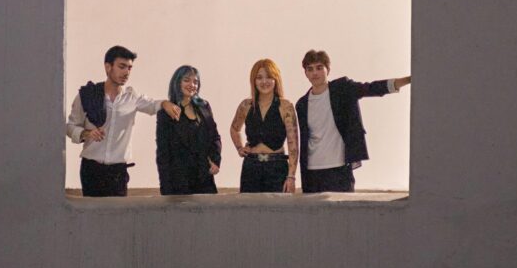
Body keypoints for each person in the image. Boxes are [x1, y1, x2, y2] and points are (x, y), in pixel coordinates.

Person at [66, 44, 181, 197]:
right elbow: (70, 126)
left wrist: (165, 103)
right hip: (91, 169)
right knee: (91, 218)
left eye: (129, 68)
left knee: (117, 218)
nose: (126, 72)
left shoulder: (132, 97)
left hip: (118, 172)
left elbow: (153, 104)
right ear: (108, 67)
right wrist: (86, 133)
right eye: (122, 66)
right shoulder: (87, 95)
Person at [295, 49, 410, 194]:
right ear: (305, 73)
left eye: (319, 68)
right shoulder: (301, 104)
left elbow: (371, 88)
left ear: (328, 70)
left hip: (339, 169)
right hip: (311, 171)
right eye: (310, 69)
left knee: (342, 215)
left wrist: (408, 79)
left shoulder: (342, 89)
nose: (315, 73)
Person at [230, 59, 299, 193]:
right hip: (251, 167)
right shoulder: (246, 105)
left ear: (276, 79)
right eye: (259, 77)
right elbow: (234, 128)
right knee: (249, 211)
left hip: (277, 166)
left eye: (269, 77)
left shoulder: (286, 106)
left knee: (277, 212)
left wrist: (291, 176)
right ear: (253, 81)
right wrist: (239, 147)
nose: (264, 82)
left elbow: (293, 143)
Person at [156, 65, 222, 195]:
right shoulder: (166, 113)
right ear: (177, 82)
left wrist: (215, 160)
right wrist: (166, 189)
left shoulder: (204, 106)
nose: (192, 85)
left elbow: (215, 136)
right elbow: (163, 154)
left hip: (204, 178)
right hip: (179, 183)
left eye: (195, 82)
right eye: (187, 80)